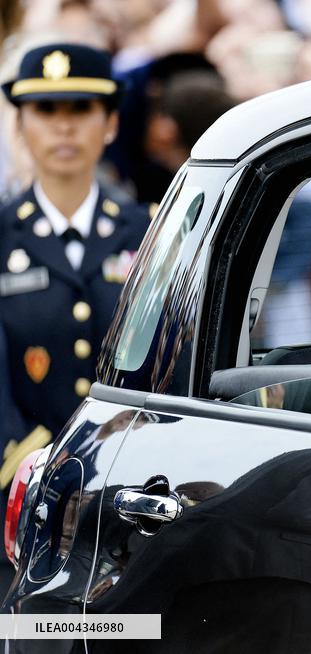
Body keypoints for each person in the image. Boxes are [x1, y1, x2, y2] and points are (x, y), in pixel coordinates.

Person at [0, 43, 151, 489]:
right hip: (23, 488)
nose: (64, 126)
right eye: (45, 110)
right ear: (20, 126)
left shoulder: (150, 232)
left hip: (131, 480)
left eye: (82, 108)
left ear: (111, 124)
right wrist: (31, 464)